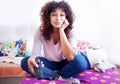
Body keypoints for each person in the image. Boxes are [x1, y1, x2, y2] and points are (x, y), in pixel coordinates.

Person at [21, 1, 90, 84]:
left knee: (81, 62)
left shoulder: (71, 30)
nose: (58, 18)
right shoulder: (41, 30)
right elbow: (35, 53)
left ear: (66, 17)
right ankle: (60, 77)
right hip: (48, 63)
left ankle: (49, 74)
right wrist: (32, 58)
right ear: (48, 17)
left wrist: (61, 31)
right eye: (54, 15)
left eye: (61, 15)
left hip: (66, 63)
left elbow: (70, 57)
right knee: (25, 62)